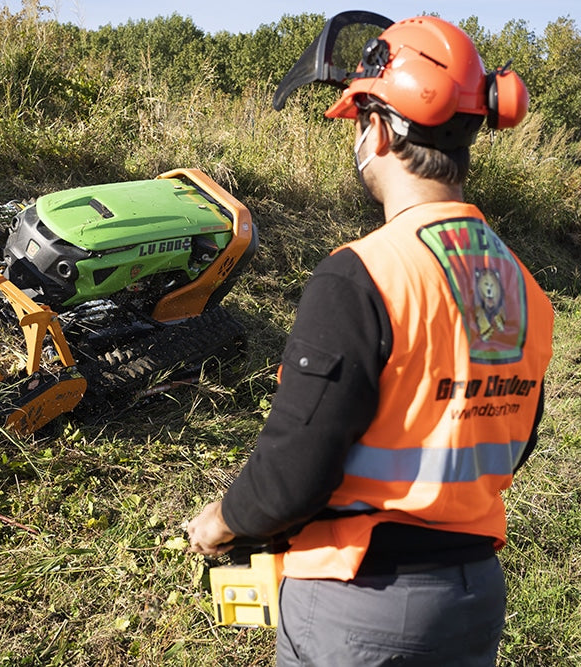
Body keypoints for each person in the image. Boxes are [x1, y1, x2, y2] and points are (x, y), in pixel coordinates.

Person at [185, 14, 554, 666]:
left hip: (361, 602)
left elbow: (297, 466)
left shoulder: (362, 275)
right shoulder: (522, 286)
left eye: (358, 124)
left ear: (379, 131)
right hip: (472, 595)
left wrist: (222, 519)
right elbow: (513, 438)